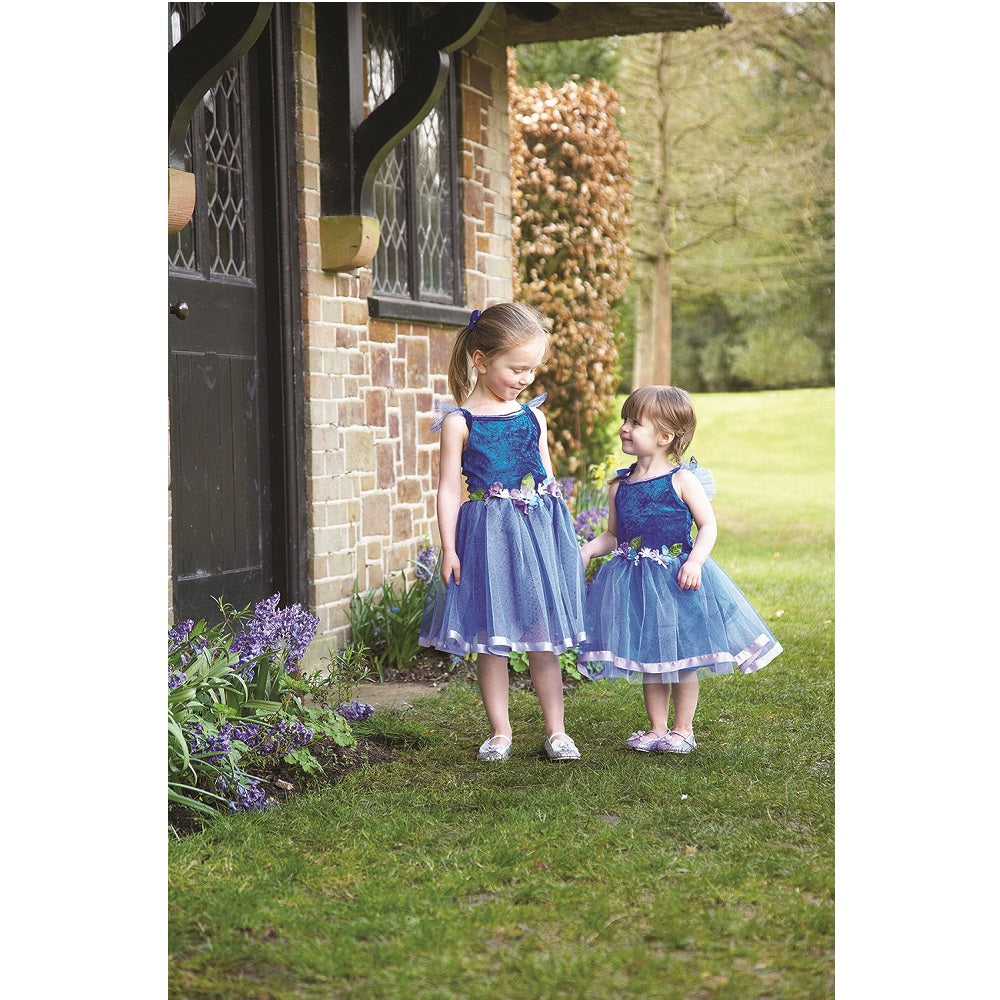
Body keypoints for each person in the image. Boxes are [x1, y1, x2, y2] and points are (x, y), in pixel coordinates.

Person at [419, 304, 586, 762]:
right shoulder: (459, 423)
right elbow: (449, 488)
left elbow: (549, 483)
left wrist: (562, 539)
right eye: (516, 368)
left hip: (535, 535)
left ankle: (556, 730)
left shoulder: (533, 416)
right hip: (488, 539)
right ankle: (500, 732)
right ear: (480, 359)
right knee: (491, 637)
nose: (525, 378)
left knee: (541, 634)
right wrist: (449, 548)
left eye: (532, 368)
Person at [578, 385, 781, 753]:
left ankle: (683, 729)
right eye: (625, 419)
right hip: (635, 580)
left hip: (676, 579)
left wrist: (695, 560)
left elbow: (708, 525)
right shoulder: (619, 486)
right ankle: (657, 729)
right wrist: (590, 550)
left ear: (665, 436)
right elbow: (614, 533)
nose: (624, 427)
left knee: (683, 657)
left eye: (635, 422)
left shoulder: (681, 480)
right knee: (651, 657)